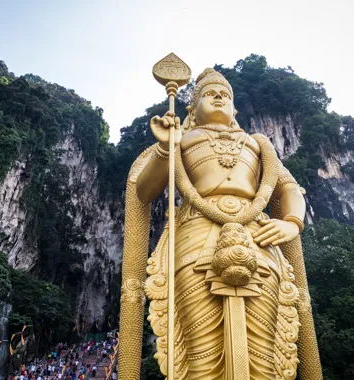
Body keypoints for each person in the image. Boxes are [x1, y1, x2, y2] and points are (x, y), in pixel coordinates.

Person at [119, 68, 322, 379]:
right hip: (196, 236)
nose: (218, 97)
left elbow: (289, 188)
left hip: (258, 238)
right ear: (192, 108)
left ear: (234, 109)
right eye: (208, 94)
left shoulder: (257, 144)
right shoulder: (182, 139)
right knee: (202, 350)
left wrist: (293, 223)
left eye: (225, 95)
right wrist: (164, 148)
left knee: (263, 352)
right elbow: (144, 191)